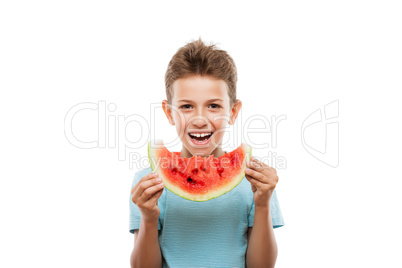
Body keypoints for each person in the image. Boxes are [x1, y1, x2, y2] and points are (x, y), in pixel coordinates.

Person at [129, 37, 285, 268]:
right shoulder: (150, 182)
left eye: (213, 106)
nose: (200, 119)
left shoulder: (254, 179)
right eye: (186, 106)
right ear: (169, 112)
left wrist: (262, 204)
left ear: (233, 111)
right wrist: (148, 217)